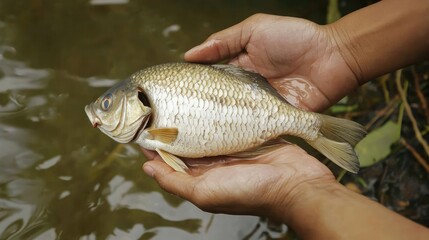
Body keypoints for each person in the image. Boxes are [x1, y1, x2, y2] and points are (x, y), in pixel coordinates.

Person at [142, 0, 429, 239]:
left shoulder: (154, 129)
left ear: (140, 101)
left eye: (107, 105)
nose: (99, 114)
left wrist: (292, 194)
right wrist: (336, 47)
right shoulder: (152, 118)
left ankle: (311, 128)